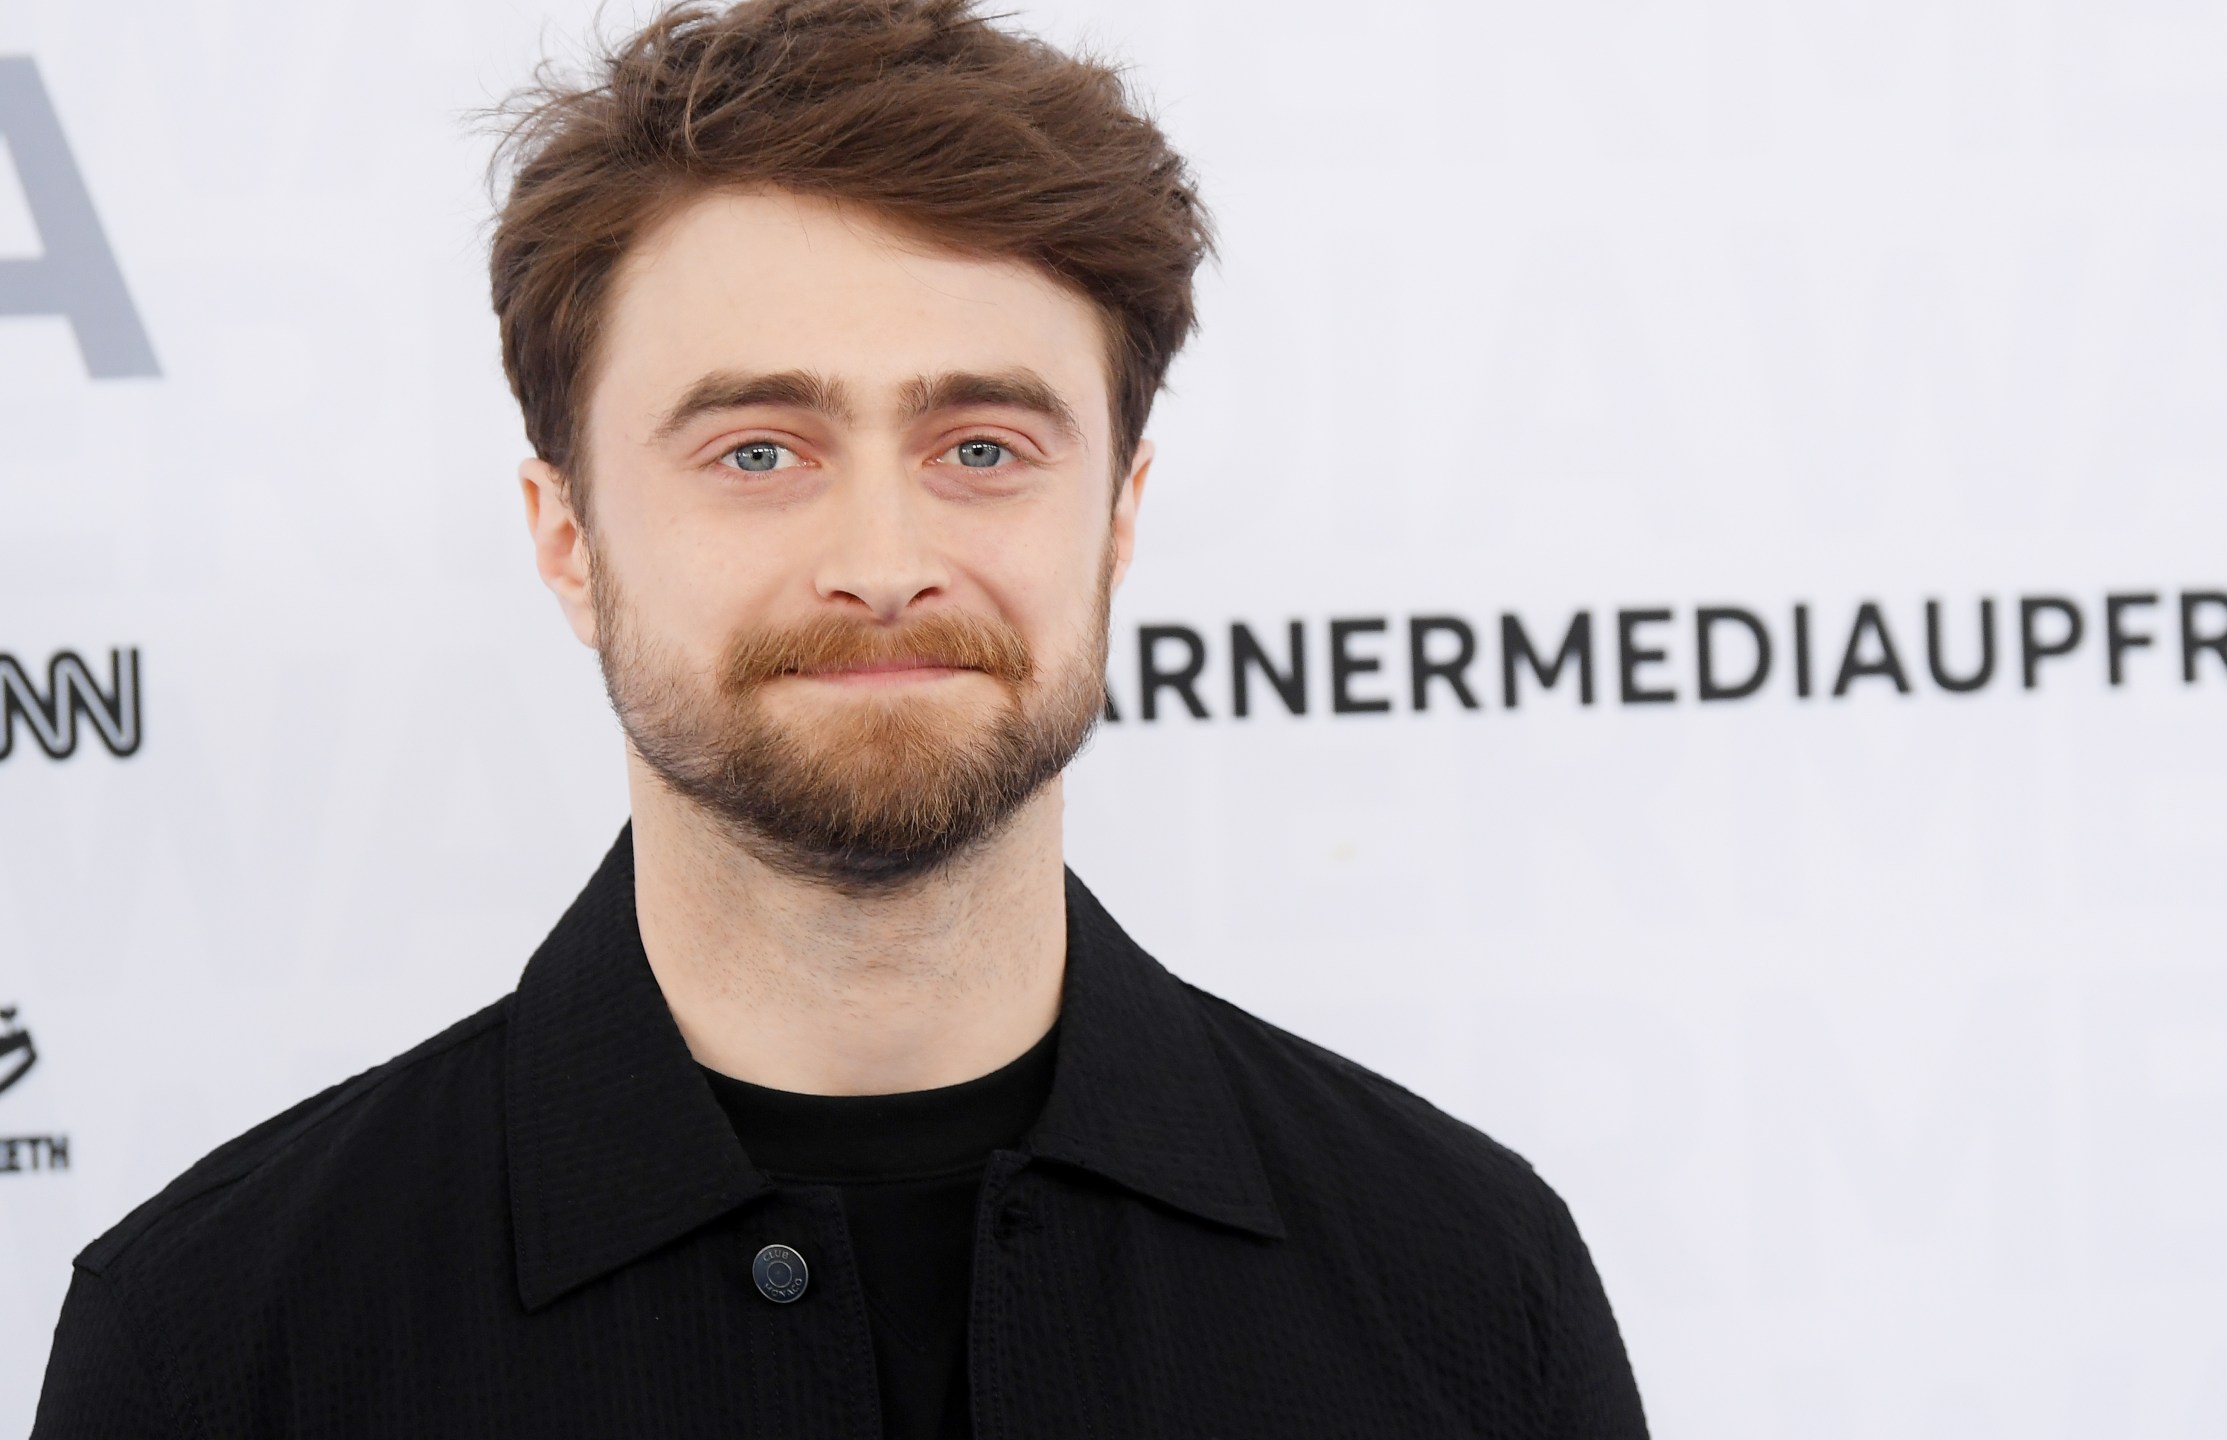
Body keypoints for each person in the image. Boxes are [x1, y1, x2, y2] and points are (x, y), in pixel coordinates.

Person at [31, 1, 1648, 1434]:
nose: (885, 565)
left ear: (1122, 519)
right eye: (758, 451)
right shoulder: (220, 1347)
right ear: (567, 538)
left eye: (985, 448)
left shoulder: (1469, 1291)